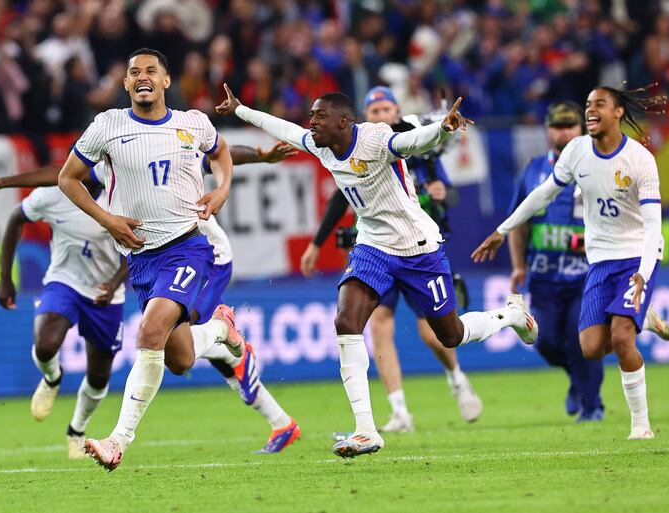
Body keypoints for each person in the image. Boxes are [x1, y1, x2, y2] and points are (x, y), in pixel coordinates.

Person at [217, 86, 538, 458]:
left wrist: (442, 130)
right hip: (373, 247)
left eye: (320, 116)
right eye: (312, 115)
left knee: (451, 335)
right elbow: (284, 130)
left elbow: (411, 142)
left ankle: (511, 314)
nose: (312, 121)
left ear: (343, 122)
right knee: (346, 321)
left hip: (418, 248)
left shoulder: (375, 138)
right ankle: (366, 430)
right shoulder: (321, 146)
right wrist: (240, 110)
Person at [0, 142, 302, 455]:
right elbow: (61, 173)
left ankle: (220, 347)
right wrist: (2, 183)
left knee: (177, 337)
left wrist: (260, 155)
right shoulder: (113, 172)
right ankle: (275, 413)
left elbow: (216, 154)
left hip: (204, 256)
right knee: (182, 356)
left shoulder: (165, 153)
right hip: (162, 262)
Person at [56, 48, 274, 471]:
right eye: (134, 72)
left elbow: (221, 151)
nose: (142, 77)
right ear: (125, 84)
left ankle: (118, 440)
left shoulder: (193, 123)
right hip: (141, 260)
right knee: (180, 360)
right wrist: (107, 220)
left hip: (187, 247)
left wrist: (222, 189)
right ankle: (220, 327)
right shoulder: (107, 125)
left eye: (151, 71)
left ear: (165, 81)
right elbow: (67, 178)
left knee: (150, 332)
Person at [474, 85, 667, 440]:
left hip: (636, 256)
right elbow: (543, 193)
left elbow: (653, 223)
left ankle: (640, 426)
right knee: (590, 348)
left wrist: (643, 272)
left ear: (618, 112)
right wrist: (503, 230)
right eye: (588, 104)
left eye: (599, 104)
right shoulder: (577, 151)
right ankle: (646, 320)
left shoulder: (640, 159)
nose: (591, 110)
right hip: (601, 260)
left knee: (622, 337)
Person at [300, 86, 482, 432]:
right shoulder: (359, 147)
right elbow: (340, 198)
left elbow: (448, 194)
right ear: (361, 118)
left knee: (435, 333)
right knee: (378, 326)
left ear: (397, 111)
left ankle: (457, 378)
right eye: (375, 111)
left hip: (417, 249)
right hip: (377, 248)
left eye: (386, 109)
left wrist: (440, 191)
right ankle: (398, 410)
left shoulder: (417, 148)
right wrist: (317, 243)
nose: (381, 115)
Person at [0, 181, 128, 459]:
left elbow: (143, 244)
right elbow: (16, 217)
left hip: (105, 292)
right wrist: (5, 277)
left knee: (99, 375)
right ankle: (52, 377)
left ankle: (76, 430)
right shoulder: (51, 195)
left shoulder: (120, 196)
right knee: (45, 345)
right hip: (63, 282)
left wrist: (116, 282)